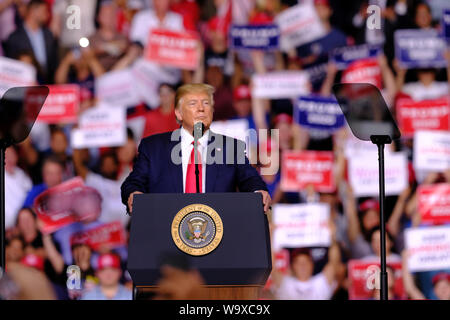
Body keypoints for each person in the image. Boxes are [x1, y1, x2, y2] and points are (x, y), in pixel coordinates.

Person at [121, 83, 271, 214]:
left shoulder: (231, 147)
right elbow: (134, 182)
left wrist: (259, 192)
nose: (201, 109)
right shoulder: (153, 147)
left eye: (206, 104)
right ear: (179, 113)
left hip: (218, 232)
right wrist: (134, 193)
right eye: (193, 103)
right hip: (166, 230)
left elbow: (251, 180)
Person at [3, 0, 59, 84]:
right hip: (23, 87)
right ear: (33, 11)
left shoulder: (49, 35)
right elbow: (11, 68)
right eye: (44, 11)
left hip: (48, 86)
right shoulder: (14, 38)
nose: (47, 14)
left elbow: (54, 65)